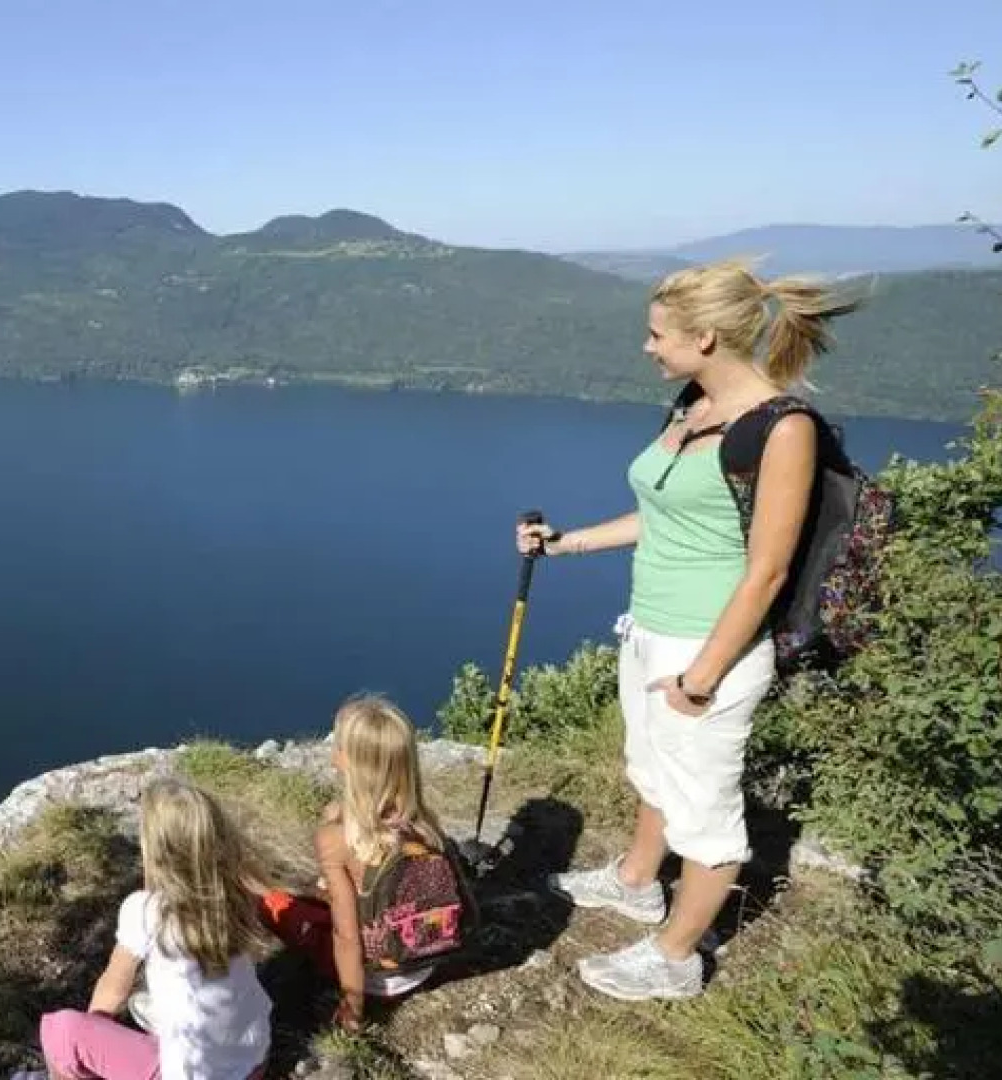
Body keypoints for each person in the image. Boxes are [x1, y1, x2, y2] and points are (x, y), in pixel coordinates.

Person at [518, 257, 857, 1001]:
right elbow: (666, 515)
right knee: (651, 767)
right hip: (649, 628)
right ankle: (639, 880)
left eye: (656, 334)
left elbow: (765, 571)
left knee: (705, 811)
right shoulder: (690, 404)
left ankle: (676, 956)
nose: (647, 346)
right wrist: (568, 542)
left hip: (711, 650)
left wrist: (702, 677)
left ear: (705, 336)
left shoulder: (781, 428)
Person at [38, 778, 274, 1080]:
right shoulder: (237, 894)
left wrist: (97, 1031)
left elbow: (113, 988)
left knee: (62, 1031)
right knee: (145, 1002)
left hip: (193, 1074)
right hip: (254, 1061)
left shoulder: (146, 911)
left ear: (155, 850)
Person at [257, 696, 467, 1030]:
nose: (333, 752)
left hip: (377, 978)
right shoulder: (424, 823)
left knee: (270, 903)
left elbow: (345, 937)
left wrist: (352, 1006)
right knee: (331, 888)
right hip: (427, 959)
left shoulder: (334, 840)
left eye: (338, 745)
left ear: (351, 763)